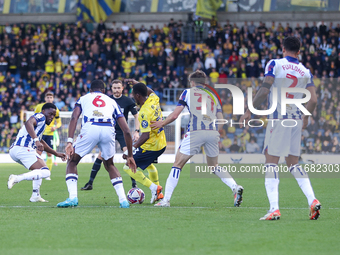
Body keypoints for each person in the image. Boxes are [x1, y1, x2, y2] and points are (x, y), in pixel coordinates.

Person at [240, 36, 321, 220]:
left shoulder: (275, 64)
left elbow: (265, 88)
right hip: (295, 120)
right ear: (299, 52)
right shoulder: (305, 71)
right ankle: (312, 200)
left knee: (271, 162)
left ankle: (274, 208)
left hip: (279, 118)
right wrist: (306, 116)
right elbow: (314, 100)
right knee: (293, 163)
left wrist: (249, 110)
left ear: (283, 49)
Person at [151, 70, 243, 207]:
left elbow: (175, 115)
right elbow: (221, 121)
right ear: (205, 83)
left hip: (195, 131)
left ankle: (166, 200)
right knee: (214, 166)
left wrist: (162, 123)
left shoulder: (187, 92)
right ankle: (234, 186)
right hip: (212, 132)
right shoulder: (214, 96)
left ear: (192, 82)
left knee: (177, 164)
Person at [57, 80, 136, 208]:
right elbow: (126, 130)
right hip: (108, 129)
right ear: (104, 91)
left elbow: (74, 117)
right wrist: (130, 155)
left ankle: (72, 198)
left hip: (91, 127)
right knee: (110, 164)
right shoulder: (112, 101)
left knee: (72, 161)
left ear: (90, 90)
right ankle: (123, 201)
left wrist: (70, 141)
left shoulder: (83, 98)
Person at [81, 80, 140, 191]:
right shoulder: (107, 100)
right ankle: (90, 183)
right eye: (114, 88)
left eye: (118, 88)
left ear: (122, 88)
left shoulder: (128, 101)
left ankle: (134, 184)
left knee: (128, 154)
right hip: (109, 131)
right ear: (111, 89)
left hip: (122, 132)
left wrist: (137, 130)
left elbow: (137, 116)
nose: (116, 90)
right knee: (101, 156)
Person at [7, 103, 66, 202]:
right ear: (43, 111)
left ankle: (35, 195)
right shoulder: (41, 116)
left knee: (40, 169)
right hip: (23, 148)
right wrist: (36, 141)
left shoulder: (41, 126)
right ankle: (17, 178)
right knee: (46, 172)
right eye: (50, 114)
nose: (52, 117)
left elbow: (42, 142)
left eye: (53, 115)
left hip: (15, 150)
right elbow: (28, 123)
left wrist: (56, 154)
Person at [122, 79, 166, 204]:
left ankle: (155, 188)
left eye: (133, 94)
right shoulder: (154, 98)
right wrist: (136, 83)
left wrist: (132, 149)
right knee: (149, 165)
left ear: (137, 95)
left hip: (151, 146)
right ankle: (159, 194)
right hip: (161, 142)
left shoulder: (143, 113)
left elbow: (145, 135)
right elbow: (150, 90)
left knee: (127, 166)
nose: (132, 97)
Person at [34, 92, 62, 179]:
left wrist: (55, 127)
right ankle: (37, 172)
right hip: (40, 133)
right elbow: (33, 118)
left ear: (53, 99)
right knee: (38, 152)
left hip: (50, 134)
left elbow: (59, 122)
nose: (49, 98)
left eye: (51, 97)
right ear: (45, 98)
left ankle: (47, 174)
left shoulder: (56, 109)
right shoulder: (39, 107)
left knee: (50, 154)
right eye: (48, 97)